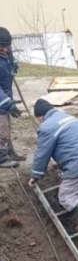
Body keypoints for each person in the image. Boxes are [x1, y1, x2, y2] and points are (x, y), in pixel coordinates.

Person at [27, 99, 78, 238]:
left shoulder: (47, 127)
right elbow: (72, 143)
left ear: (40, 116)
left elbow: (42, 153)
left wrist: (36, 175)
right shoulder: (68, 117)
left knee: (66, 196)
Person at [0, 27, 24, 168]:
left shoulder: (6, 51)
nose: (4, 50)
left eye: (6, 47)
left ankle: (9, 152)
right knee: (1, 130)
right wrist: (6, 102)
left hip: (5, 94)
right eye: (1, 47)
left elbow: (9, 57)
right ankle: (2, 159)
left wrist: (13, 64)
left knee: (7, 127)